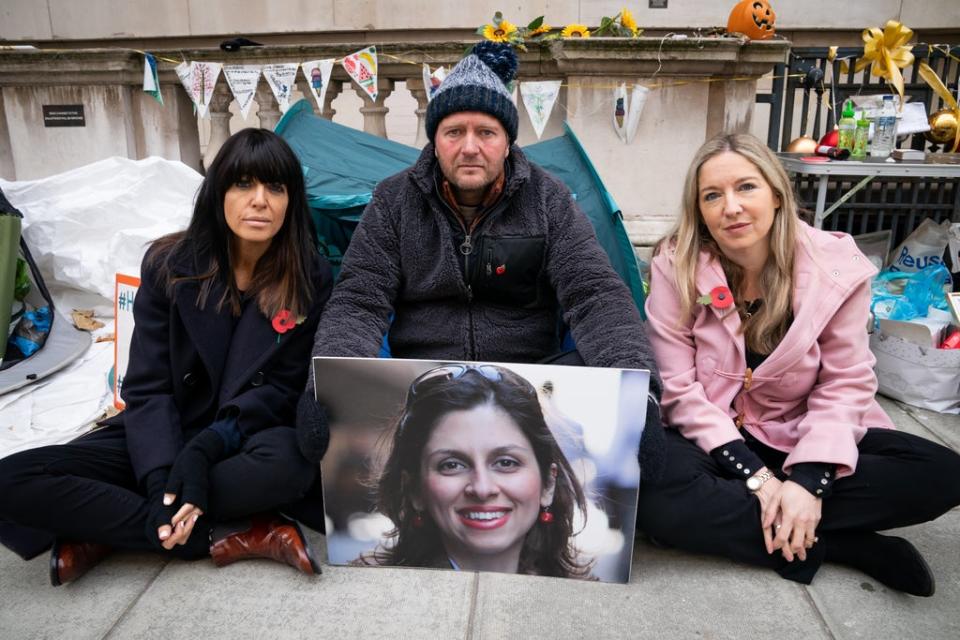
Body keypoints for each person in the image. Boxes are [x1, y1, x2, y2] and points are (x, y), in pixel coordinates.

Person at [297, 41, 664, 485]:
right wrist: (324, 387)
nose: (470, 147)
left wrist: (639, 391)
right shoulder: (394, 201)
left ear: (507, 141)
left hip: (532, 384)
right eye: (454, 132)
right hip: (420, 385)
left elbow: (595, 295)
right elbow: (359, 300)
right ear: (435, 139)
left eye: (486, 133)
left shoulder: (548, 201)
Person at [0, 128, 333, 585]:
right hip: (163, 427)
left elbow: (281, 389)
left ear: (292, 201)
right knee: (12, 479)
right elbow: (149, 385)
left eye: (276, 187)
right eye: (243, 183)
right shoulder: (169, 265)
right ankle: (217, 533)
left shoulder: (308, 276)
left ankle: (103, 530)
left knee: (292, 464)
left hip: (238, 440)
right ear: (217, 193)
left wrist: (204, 449)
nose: (260, 200)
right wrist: (161, 479)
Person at [637, 133, 960, 596]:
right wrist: (757, 477)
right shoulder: (677, 262)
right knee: (648, 495)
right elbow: (678, 388)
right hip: (715, 434)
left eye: (746, 187)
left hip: (802, 430)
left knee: (942, 474)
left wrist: (809, 481)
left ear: (776, 193)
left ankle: (786, 519)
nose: (731, 207)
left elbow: (846, 384)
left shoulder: (834, 267)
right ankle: (848, 547)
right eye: (712, 195)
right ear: (699, 210)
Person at [356, 364, 592, 578]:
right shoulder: (368, 590)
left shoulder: (582, 600)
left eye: (506, 463)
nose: (482, 488)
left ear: (548, 484)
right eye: (452, 465)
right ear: (416, 490)